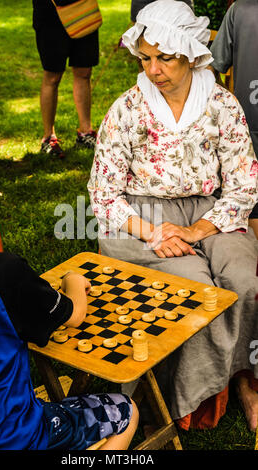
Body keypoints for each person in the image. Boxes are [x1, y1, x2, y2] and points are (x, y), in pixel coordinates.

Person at [88, 0, 258, 432]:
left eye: (164, 57)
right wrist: (154, 232)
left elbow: (242, 184)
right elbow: (103, 194)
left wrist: (198, 228)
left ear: (190, 53)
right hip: (140, 214)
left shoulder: (222, 103)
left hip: (210, 209)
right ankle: (186, 398)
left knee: (244, 279)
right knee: (197, 289)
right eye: (145, 58)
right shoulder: (126, 109)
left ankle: (246, 380)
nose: (153, 69)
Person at [0, 155, 139, 450]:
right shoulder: (3, 275)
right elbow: (75, 315)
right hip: (15, 438)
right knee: (125, 411)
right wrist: (74, 281)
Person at [210, 0, 258, 238]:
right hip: (247, 131)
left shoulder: (240, 10)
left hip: (246, 127)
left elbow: (212, 67)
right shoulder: (240, 10)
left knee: (249, 198)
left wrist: (224, 105)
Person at [32, 0, 99, 158]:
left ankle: (85, 133)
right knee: (53, 76)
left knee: (84, 71)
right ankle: (49, 138)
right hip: (50, 13)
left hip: (83, 8)